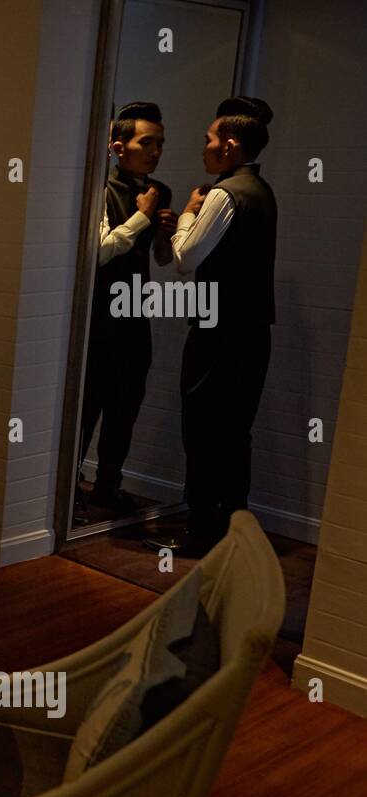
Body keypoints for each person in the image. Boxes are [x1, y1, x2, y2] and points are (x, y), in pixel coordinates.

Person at [167, 96, 277, 557]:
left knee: (202, 428)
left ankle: (199, 533)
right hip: (253, 334)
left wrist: (189, 213)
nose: (204, 148)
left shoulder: (224, 193)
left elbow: (185, 259)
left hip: (218, 335)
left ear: (230, 146)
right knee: (235, 433)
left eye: (209, 140)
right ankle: (235, 534)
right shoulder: (263, 191)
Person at [78, 102, 176, 517]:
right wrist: (141, 217)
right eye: (146, 142)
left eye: (160, 144)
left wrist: (166, 234)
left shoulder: (161, 191)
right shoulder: (99, 189)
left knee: (125, 407)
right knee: (87, 406)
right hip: (98, 317)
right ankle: (65, 488)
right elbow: (97, 253)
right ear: (119, 147)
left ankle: (107, 487)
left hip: (136, 313)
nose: (155, 152)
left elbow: (161, 260)